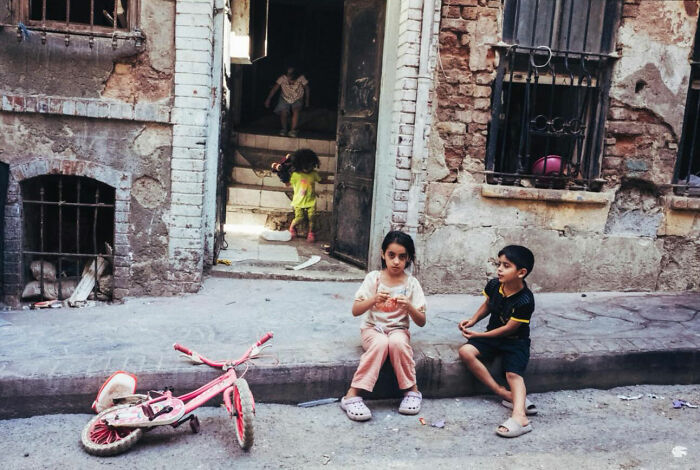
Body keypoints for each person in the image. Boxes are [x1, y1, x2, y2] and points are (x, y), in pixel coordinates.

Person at [340, 231, 427, 422]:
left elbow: (421, 320)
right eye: (391, 255)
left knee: (396, 342)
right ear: (383, 254)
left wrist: (409, 307)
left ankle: (412, 391)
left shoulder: (412, 284)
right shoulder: (374, 279)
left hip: (398, 330)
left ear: (409, 258)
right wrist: (373, 300)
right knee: (380, 343)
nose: (396, 261)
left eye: (402, 257)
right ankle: (352, 395)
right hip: (372, 329)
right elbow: (356, 310)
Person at [457, 245, 536, 438]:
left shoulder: (525, 300)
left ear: (521, 272)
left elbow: (509, 329)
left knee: (513, 375)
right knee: (465, 352)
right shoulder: (494, 285)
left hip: (515, 341)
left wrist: (478, 335)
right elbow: (488, 304)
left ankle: (520, 418)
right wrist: (473, 320)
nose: (499, 269)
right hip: (492, 336)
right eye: (499, 264)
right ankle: (503, 393)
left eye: (506, 265)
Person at [264, 65, 310, 137]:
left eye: (291, 74)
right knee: (283, 112)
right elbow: (274, 89)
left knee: (296, 111)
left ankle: (293, 130)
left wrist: (307, 101)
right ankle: (284, 129)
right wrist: (268, 99)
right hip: (285, 97)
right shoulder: (282, 78)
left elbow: (307, 89)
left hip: (297, 97)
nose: (289, 77)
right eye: (288, 74)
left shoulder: (301, 78)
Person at [286, 149, 320, 242]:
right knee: (299, 218)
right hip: (298, 201)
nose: (308, 168)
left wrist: (334, 181)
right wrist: (283, 174)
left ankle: (311, 233)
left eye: (310, 166)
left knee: (312, 217)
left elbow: (321, 180)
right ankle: (292, 228)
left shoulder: (314, 174)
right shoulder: (295, 175)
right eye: (306, 166)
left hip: (311, 200)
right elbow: (288, 183)